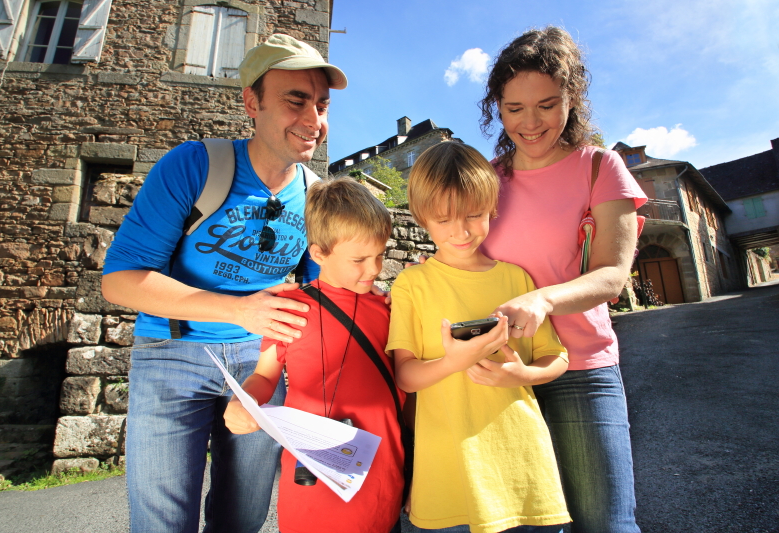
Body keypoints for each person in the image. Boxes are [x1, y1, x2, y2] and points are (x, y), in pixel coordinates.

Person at [100, 34, 347, 533]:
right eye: (295, 100)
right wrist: (238, 310)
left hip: (263, 363)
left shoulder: (317, 197)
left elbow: (325, 297)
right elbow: (120, 282)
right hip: (171, 353)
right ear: (252, 103)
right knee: (162, 523)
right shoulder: (194, 165)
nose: (314, 119)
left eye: (321, 105)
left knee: (243, 518)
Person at [478, 27, 648, 533]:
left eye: (547, 105)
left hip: (582, 369)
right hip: (502, 369)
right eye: (514, 109)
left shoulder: (600, 168)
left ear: (572, 98)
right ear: (497, 108)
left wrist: (543, 299)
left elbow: (612, 275)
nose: (530, 123)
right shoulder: (485, 179)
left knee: (606, 524)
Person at [387, 141, 571, 533]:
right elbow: (405, 376)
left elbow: (557, 357)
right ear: (421, 217)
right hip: (448, 470)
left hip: (524, 465)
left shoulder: (517, 278)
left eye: (474, 214)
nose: (461, 230)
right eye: (443, 219)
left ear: (491, 207)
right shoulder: (411, 284)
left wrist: (522, 375)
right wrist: (453, 362)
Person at [223, 177, 406, 533]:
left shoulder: (390, 309)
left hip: (381, 468)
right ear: (318, 253)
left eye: (380, 255)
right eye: (359, 259)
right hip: (313, 472)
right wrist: (242, 402)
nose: (374, 269)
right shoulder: (288, 308)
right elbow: (263, 376)